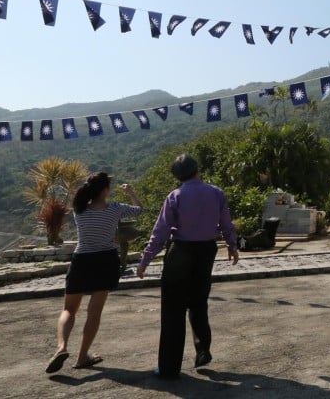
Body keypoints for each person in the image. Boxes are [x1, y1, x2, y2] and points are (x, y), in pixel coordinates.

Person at [136, 154, 239, 380]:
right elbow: (226, 223)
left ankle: (169, 368)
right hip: (206, 251)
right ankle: (202, 349)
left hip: (180, 252)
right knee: (198, 301)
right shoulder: (216, 193)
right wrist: (232, 246)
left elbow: (160, 232)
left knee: (173, 310)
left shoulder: (175, 196)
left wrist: (145, 260)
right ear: (197, 170)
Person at [46, 172, 142, 374]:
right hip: (106, 261)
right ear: (105, 190)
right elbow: (139, 210)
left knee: (69, 310)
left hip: (82, 260)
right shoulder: (115, 209)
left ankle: (61, 347)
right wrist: (131, 192)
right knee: (94, 312)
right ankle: (82, 357)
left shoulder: (79, 210)